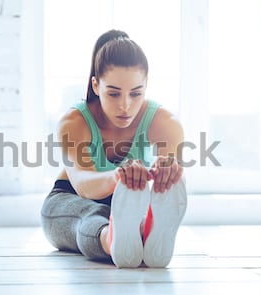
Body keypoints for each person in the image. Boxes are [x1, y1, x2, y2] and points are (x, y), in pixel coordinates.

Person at [41, 30, 187, 268]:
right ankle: (114, 239)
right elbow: (81, 182)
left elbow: (169, 179)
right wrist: (118, 176)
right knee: (92, 217)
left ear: (146, 85)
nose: (125, 106)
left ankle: (142, 232)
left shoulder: (165, 122)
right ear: (96, 86)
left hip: (128, 202)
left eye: (136, 93)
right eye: (114, 93)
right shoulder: (73, 122)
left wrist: (167, 172)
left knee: (128, 215)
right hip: (71, 198)